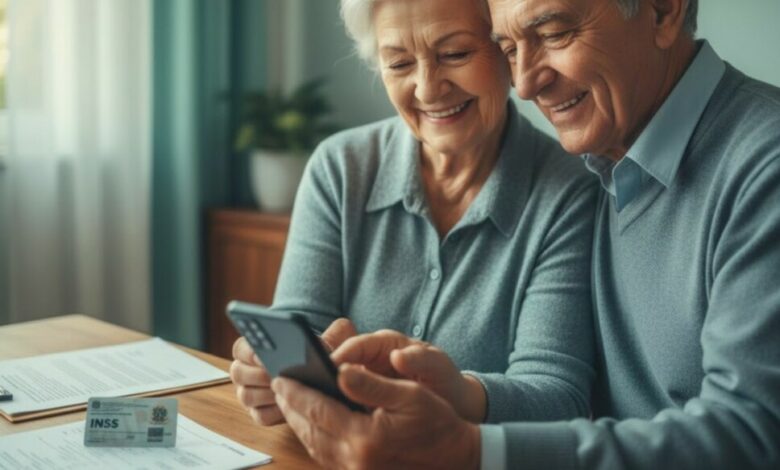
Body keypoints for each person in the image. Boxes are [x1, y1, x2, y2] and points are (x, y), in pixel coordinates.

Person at [269, 0, 780, 468]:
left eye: (554, 33)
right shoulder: (606, 160)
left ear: (665, 10)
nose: (526, 84)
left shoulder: (760, 166)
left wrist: (471, 450)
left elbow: (751, 437)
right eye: (509, 48)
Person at [230, 0, 599, 430]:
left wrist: (455, 393)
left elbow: (558, 396)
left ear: (508, 52)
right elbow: (301, 329)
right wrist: (274, 373)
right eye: (400, 63)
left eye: (455, 54)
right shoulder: (340, 168)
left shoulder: (570, 192)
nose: (427, 89)